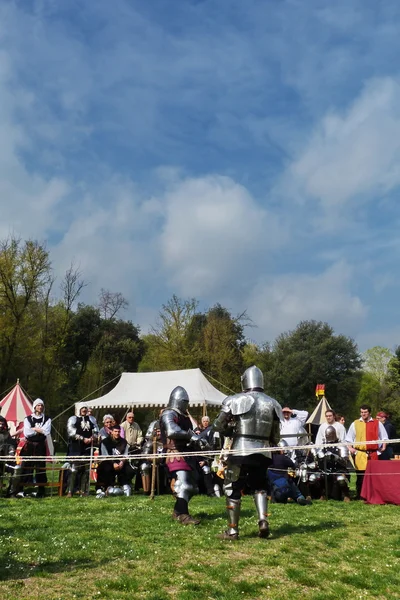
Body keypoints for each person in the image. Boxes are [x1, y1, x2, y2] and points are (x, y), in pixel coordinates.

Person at [214, 365, 282, 540]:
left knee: (232, 488)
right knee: (259, 486)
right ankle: (262, 521)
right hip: (264, 452)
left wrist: (230, 430)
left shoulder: (234, 400)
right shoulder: (273, 403)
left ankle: (233, 531)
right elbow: (276, 434)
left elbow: (218, 425)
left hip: (241, 449)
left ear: (244, 380)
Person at [160, 386, 205, 525]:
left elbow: (190, 433)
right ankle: (183, 515)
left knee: (194, 487)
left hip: (186, 453)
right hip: (174, 453)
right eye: (184, 402)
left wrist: (199, 442)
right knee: (184, 484)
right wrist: (191, 436)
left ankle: (177, 511)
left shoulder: (184, 416)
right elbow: (172, 431)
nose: (186, 405)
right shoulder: (169, 413)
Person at [346, 405, 388, 499]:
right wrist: (351, 448)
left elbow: (384, 437)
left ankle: (373, 495)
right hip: (360, 453)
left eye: (365, 412)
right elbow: (349, 438)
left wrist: (383, 447)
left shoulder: (377, 423)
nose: (363, 414)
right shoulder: (355, 423)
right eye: (362, 412)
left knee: (373, 476)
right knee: (360, 476)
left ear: (369, 413)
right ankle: (360, 495)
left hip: (373, 453)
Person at [17, 399, 52, 498]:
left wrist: (35, 429)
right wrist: (39, 430)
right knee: (26, 466)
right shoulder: (28, 418)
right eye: (38, 405)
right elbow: (27, 433)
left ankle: (41, 490)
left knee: (40, 467)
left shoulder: (47, 419)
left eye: (42, 405)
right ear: (35, 407)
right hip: (30, 446)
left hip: (41, 445)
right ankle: (21, 489)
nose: (40, 407)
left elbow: (47, 431)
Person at [268, 440, 312, 505]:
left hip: (275, 489)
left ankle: (274, 499)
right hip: (286, 486)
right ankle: (300, 498)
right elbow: (293, 465)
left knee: (272, 484)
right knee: (293, 488)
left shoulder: (267, 460)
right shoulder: (283, 458)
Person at [66, 406, 97, 497]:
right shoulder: (73, 419)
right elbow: (70, 432)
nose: (84, 410)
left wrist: (92, 438)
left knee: (86, 470)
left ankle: (84, 491)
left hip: (87, 447)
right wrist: (83, 439)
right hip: (76, 447)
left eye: (85, 409)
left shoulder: (91, 419)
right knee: (73, 470)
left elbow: (96, 430)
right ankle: (70, 491)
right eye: (82, 409)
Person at [96, 424, 135, 497]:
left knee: (130, 470)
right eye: (115, 431)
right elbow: (105, 455)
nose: (117, 433)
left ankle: (124, 485)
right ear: (112, 432)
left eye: (118, 432)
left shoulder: (123, 442)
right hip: (108, 462)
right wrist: (113, 463)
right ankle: (106, 487)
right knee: (105, 469)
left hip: (120, 462)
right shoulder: (105, 442)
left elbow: (126, 455)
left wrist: (122, 462)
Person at [316, 426, 350, 502]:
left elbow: (345, 462)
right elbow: (318, 460)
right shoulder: (323, 445)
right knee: (318, 476)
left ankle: (346, 495)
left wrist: (335, 457)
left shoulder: (341, 445)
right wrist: (321, 457)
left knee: (341, 479)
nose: (329, 437)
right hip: (326, 469)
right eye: (327, 435)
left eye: (330, 435)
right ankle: (323, 494)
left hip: (339, 469)